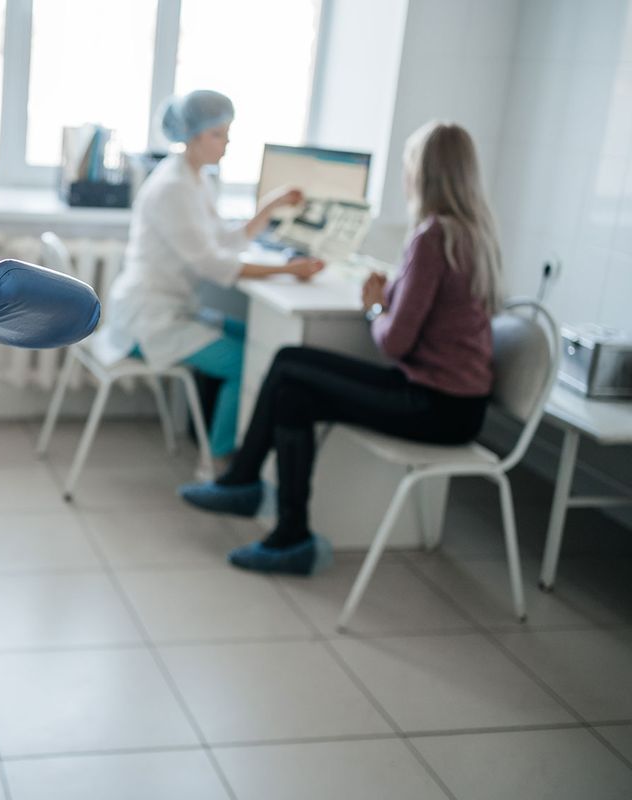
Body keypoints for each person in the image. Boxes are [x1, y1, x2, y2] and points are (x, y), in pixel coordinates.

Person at [179, 121, 503, 576]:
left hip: (433, 404)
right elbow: (439, 314)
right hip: (458, 404)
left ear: (423, 175)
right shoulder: (473, 234)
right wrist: (393, 294)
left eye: (409, 167)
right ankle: (276, 519)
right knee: (292, 381)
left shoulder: (432, 236)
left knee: (290, 367)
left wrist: (375, 307)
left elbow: (395, 341)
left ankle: (251, 489)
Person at [90, 89, 324, 458]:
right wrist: (288, 269)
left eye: (228, 133)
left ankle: (228, 453)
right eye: (219, 134)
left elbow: (224, 241)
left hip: (174, 308)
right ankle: (221, 460)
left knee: (260, 340)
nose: (227, 143)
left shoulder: (195, 179)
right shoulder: (172, 188)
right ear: (192, 135)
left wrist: (269, 206)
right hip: (149, 320)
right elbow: (213, 264)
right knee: (248, 361)